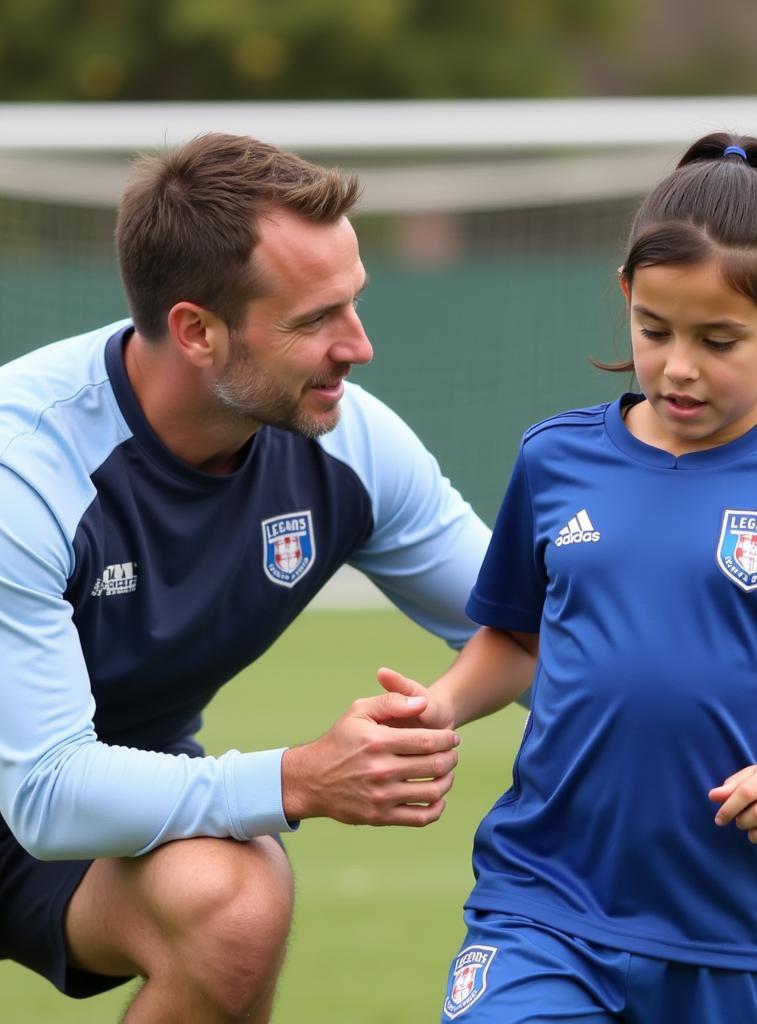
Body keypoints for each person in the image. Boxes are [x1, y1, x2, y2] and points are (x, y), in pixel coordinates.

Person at [380, 133, 757, 1023]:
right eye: (655, 330)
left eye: (718, 338)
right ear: (625, 296)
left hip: (738, 929)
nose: (678, 365)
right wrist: (441, 706)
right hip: (544, 903)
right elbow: (519, 639)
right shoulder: (555, 457)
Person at [0, 132, 517, 1021]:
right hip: (46, 782)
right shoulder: (26, 472)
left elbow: (530, 625)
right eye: (315, 320)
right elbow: (46, 790)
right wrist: (300, 778)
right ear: (197, 330)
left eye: (353, 304)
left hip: (95, 789)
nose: (358, 347)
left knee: (235, 906)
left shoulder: (349, 444)